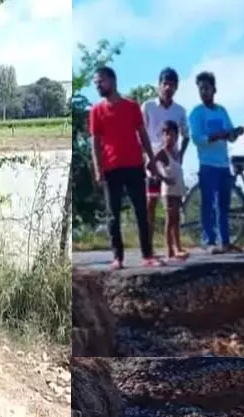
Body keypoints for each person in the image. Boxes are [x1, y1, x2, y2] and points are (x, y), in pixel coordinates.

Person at [89, 66, 161, 270]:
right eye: (96, 82)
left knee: (141, 211)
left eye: (101, 81)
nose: (98, 85)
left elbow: (143, 134)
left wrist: (152, 161)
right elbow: (95, 142)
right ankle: (117, 257)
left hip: (135, 164)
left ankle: (147, 255)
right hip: (111, 167)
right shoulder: (96, 111)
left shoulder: (131, 106)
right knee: (113, 214)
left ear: (112, 81)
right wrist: (97, 168)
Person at [189, 71, 244, 254]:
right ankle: (209, 241)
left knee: (223, 205)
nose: (204, 92)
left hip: (223, 164)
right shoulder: (197, 113)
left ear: (214, 89)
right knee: (208, 204)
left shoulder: (221, 111)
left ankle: (225, 241)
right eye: (201, 89)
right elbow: (197, 138)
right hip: (207, 165)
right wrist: (218, 135)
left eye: (207, 88)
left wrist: (234, 133)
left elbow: (229, 135)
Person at [141, 68, 189, 249]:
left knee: (172, 206)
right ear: (159, 85)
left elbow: (186, 135)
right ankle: (148, 246)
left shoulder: (180, 111)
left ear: (176, 87)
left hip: (172, 162)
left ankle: (174, 246)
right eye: (165, 84)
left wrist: (181, 156)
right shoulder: (148, 106)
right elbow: (140, 132)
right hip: (153, 159)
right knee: (150, 203)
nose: (168, 87)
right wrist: (144, 157)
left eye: (172, 84)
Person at [155, 120, 187, 262]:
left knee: (176, 219)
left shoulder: (177, 153)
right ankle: (168, 249)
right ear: (162, 135)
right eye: (166, 133)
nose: (169, 137)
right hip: (168, 190)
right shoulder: (162, 153)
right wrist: (163, 178)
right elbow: (150, 165)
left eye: (172, 134)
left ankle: (178, 247)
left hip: (178, 189)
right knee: (170, 218)